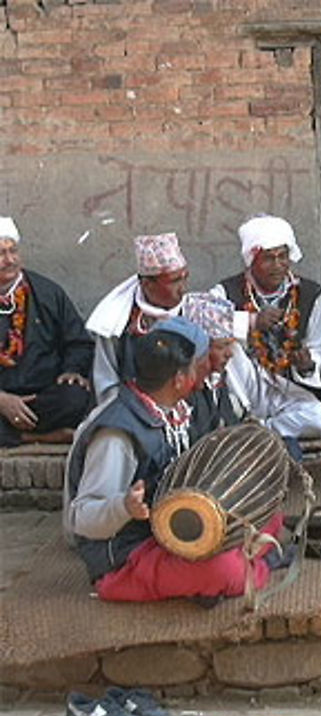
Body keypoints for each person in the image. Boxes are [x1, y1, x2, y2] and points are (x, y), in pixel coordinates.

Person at [63, 317, 283, 602]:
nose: (208, 366)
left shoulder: (178, 406)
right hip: (128, 554)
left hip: (177, 534)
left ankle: (235, 560)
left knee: (271, 516)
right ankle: (244, 566)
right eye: (201, 361)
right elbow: (81, 518)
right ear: (180, 379)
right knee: (225, 571)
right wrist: (124, 507)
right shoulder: (117, 435)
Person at [213, 215, 321, 455]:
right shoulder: (225, 291)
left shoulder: (309, 293)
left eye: (283, 256)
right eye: (268, 258)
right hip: (244, 387)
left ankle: (260, 431)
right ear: (252, 260)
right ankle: (246, 420)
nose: (278, 265)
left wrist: (309, 364)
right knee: (226, 343)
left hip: (287, 386)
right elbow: (201, 322)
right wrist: (251, 322)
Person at [0, 217, 93, 447]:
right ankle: (37, 437)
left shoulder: (47, 293)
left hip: (42, 398)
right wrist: (2, 400)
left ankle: (13, 436)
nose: (9, 260)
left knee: (76, 397)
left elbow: (79, 342)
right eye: (0, 254)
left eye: (13, 251)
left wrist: (72, 370)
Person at [86, 232, 190, 403]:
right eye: (174, 281)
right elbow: (106, 385)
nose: (183, 288)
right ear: (147, 285)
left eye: (185, 278)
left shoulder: (191, 311)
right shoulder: (115, 324)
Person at [181, 292, 246, 440]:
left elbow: (229, 422)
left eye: (230, 344)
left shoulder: (217, 379)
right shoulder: (186, 392)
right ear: (201, 349)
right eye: (222, 346)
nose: (230, 354)